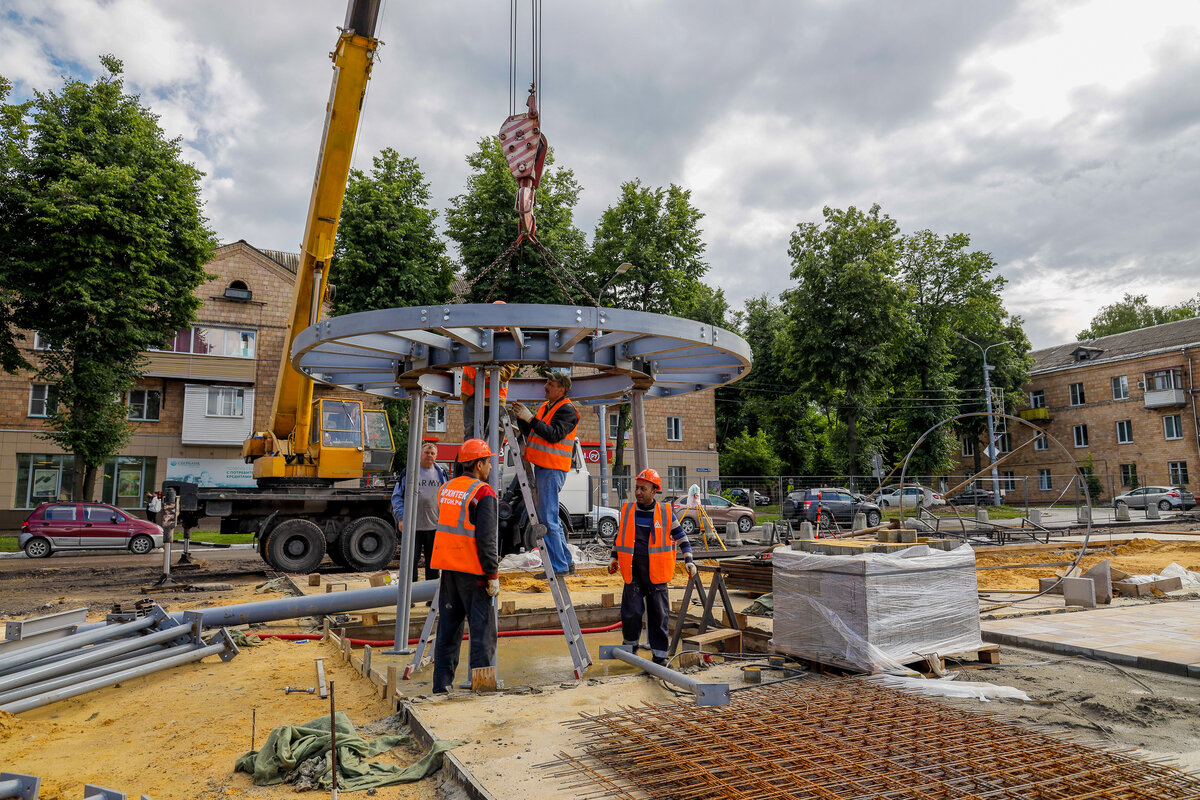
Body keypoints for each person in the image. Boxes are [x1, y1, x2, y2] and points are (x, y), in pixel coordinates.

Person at [430, 438, 500, 694]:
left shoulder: (447, 488)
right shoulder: (483, 493)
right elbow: (487, 539)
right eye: (489, 462)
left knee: (448, 631)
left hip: (448, 571)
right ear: (478, 464)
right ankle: (481, 689)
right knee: (483, 634)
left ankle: (441, 687)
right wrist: (492, 573)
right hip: (475, 573)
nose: (491, 467)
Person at [608, 468, 697, 665]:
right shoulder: (628, 510)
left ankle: (660, 656)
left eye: (643, 488)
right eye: (636, 488)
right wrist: (614, 558)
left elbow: (682, 538)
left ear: (654, 490)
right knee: (630, 613)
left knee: (659, 616)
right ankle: (629, 652)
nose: (638, 492)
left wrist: (689, 560)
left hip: (657, 574)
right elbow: (620, 537)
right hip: (633, 572)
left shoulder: (665, 513)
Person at [511, 371, 578, 577]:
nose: (546, 386)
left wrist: (529, 418)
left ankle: (559, 567)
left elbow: (553, 434)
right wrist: (522, 420)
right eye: (546, 382)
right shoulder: (547, 407)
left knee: (548, 519)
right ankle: (565, 563)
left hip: (552, 468)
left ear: (562, 389)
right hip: (545, 466)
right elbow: (536, 431)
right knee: (551, 519)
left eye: (550, 383)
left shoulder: (567, 410)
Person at [391, 441, 449, 582]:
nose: (429, 455)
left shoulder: (441, 474)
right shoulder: (410, 472)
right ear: (420, 455)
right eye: (426, 453)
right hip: (413, 527)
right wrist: (401, 518)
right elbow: (397, 496)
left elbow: (446, 497)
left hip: (434, 526)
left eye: (432, 453)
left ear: (436, 456)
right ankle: (409, 598)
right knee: (410, 563)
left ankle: (431, 597)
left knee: (434, 564)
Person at [461, 363, 520, 441]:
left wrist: (494, 373)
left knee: (487, 436)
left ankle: (478, 451)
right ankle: (471, 452)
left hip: (493, 398)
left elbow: (513, 364)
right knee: (471, 434)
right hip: (470, 393)